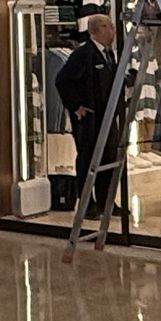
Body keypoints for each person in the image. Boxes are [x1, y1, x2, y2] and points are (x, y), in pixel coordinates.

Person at [54, 13, 122, 214]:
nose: (112, 30)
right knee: (88, 158)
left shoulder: (109, 55)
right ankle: (86, 202)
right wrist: (76, 106)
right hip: (90, 118)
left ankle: (105, 201)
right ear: (95, 31)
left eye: (111, 26)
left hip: (108, 117)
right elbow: (62, 80)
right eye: (107, 26)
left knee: (109, 157)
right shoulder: (83, 54)